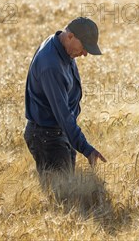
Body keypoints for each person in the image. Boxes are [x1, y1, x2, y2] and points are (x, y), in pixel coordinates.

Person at [24, 17, 107, 185]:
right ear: (70, 36)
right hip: (48, 139)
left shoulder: (61, 46)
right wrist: (86, 148)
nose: (84, 54)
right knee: (62, 197)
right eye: (84, 47)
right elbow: (63, 114)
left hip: (60, 133)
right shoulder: (51, 65)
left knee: (67, 189)